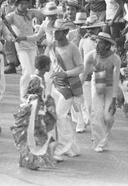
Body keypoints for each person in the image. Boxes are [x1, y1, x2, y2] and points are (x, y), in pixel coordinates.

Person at [11, 54, 57, 170]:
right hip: (34, 114)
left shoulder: (39, 79)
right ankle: (30, 161)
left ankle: (27, 159)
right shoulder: (35, 80)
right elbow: (29, 96)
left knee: (35, 137)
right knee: (34, 137)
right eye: (49, 65)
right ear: (46, 66)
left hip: (39, 112)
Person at [46, 19, 83, 161]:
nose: (55, 34)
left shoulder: (72, 48)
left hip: (69, 86)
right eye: (54, 31)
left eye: (58, 32)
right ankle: (72, 148)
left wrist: (65, 74)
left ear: (65, 32)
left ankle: (61, 149)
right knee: (58, 117)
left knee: (60, 116)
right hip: (55, 85)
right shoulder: (52, 46)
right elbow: (50, 66)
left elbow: (81, 67)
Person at [84, 32, 121, 152]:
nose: (97, 45)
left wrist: (114, 99)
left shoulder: (115, 58)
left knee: (108, 116)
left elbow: (116, 80)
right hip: (97, 84)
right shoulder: (91, 55)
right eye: (96, 42)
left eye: (100, 43)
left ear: (107, 45)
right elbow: (83, 75)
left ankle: (105, 132)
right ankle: (100, 142)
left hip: (110, 87)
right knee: (96, 114)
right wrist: (76, 89)